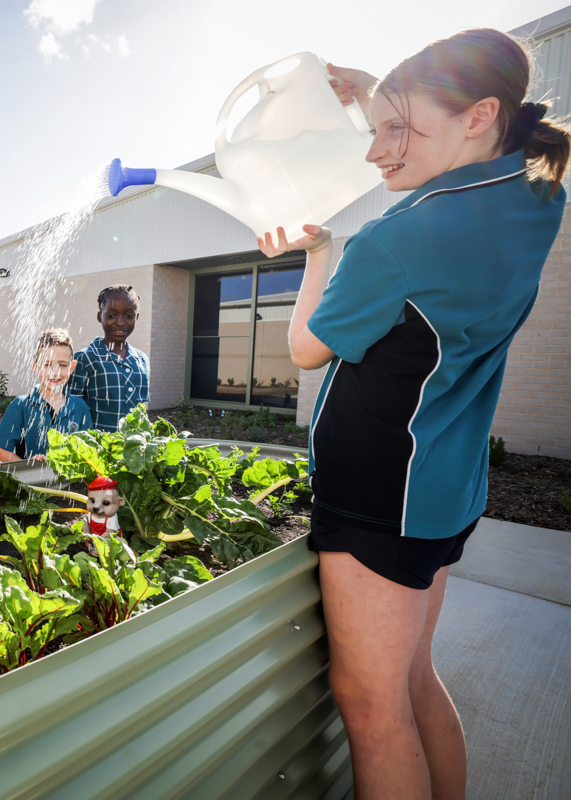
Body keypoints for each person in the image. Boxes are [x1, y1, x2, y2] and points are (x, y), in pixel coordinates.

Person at [258, 30, 568, 800]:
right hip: (442, 489)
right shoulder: (534, 192)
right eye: (377, 128)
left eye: (396, 131)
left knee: (372, 706)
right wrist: (381, 94)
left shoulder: (393, 240)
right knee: (415, 680)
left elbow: (304, 349)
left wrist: (316, 254)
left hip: (377, 500)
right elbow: (442, 130)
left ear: (479, 115)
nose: (375, 154)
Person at [0, 328, 92, 464]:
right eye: (47, 364)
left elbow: (87, 451)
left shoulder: (80, 407)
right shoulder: (20, 405)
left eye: (62, 365)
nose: (55, 372)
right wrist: (29, 468)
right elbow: (3, 452)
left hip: (69, 483)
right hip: (31, 484)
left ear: (72, 367)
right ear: (35, 366)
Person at [68, 284, 150, 432]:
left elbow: (142, 410)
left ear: (137, 317)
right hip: (98, 451)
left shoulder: (142, 360)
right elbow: (71, 412)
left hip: (135, 451)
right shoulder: (84, 359)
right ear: (100, 317)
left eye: (129, 316)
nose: (120, 322)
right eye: (111, 316)